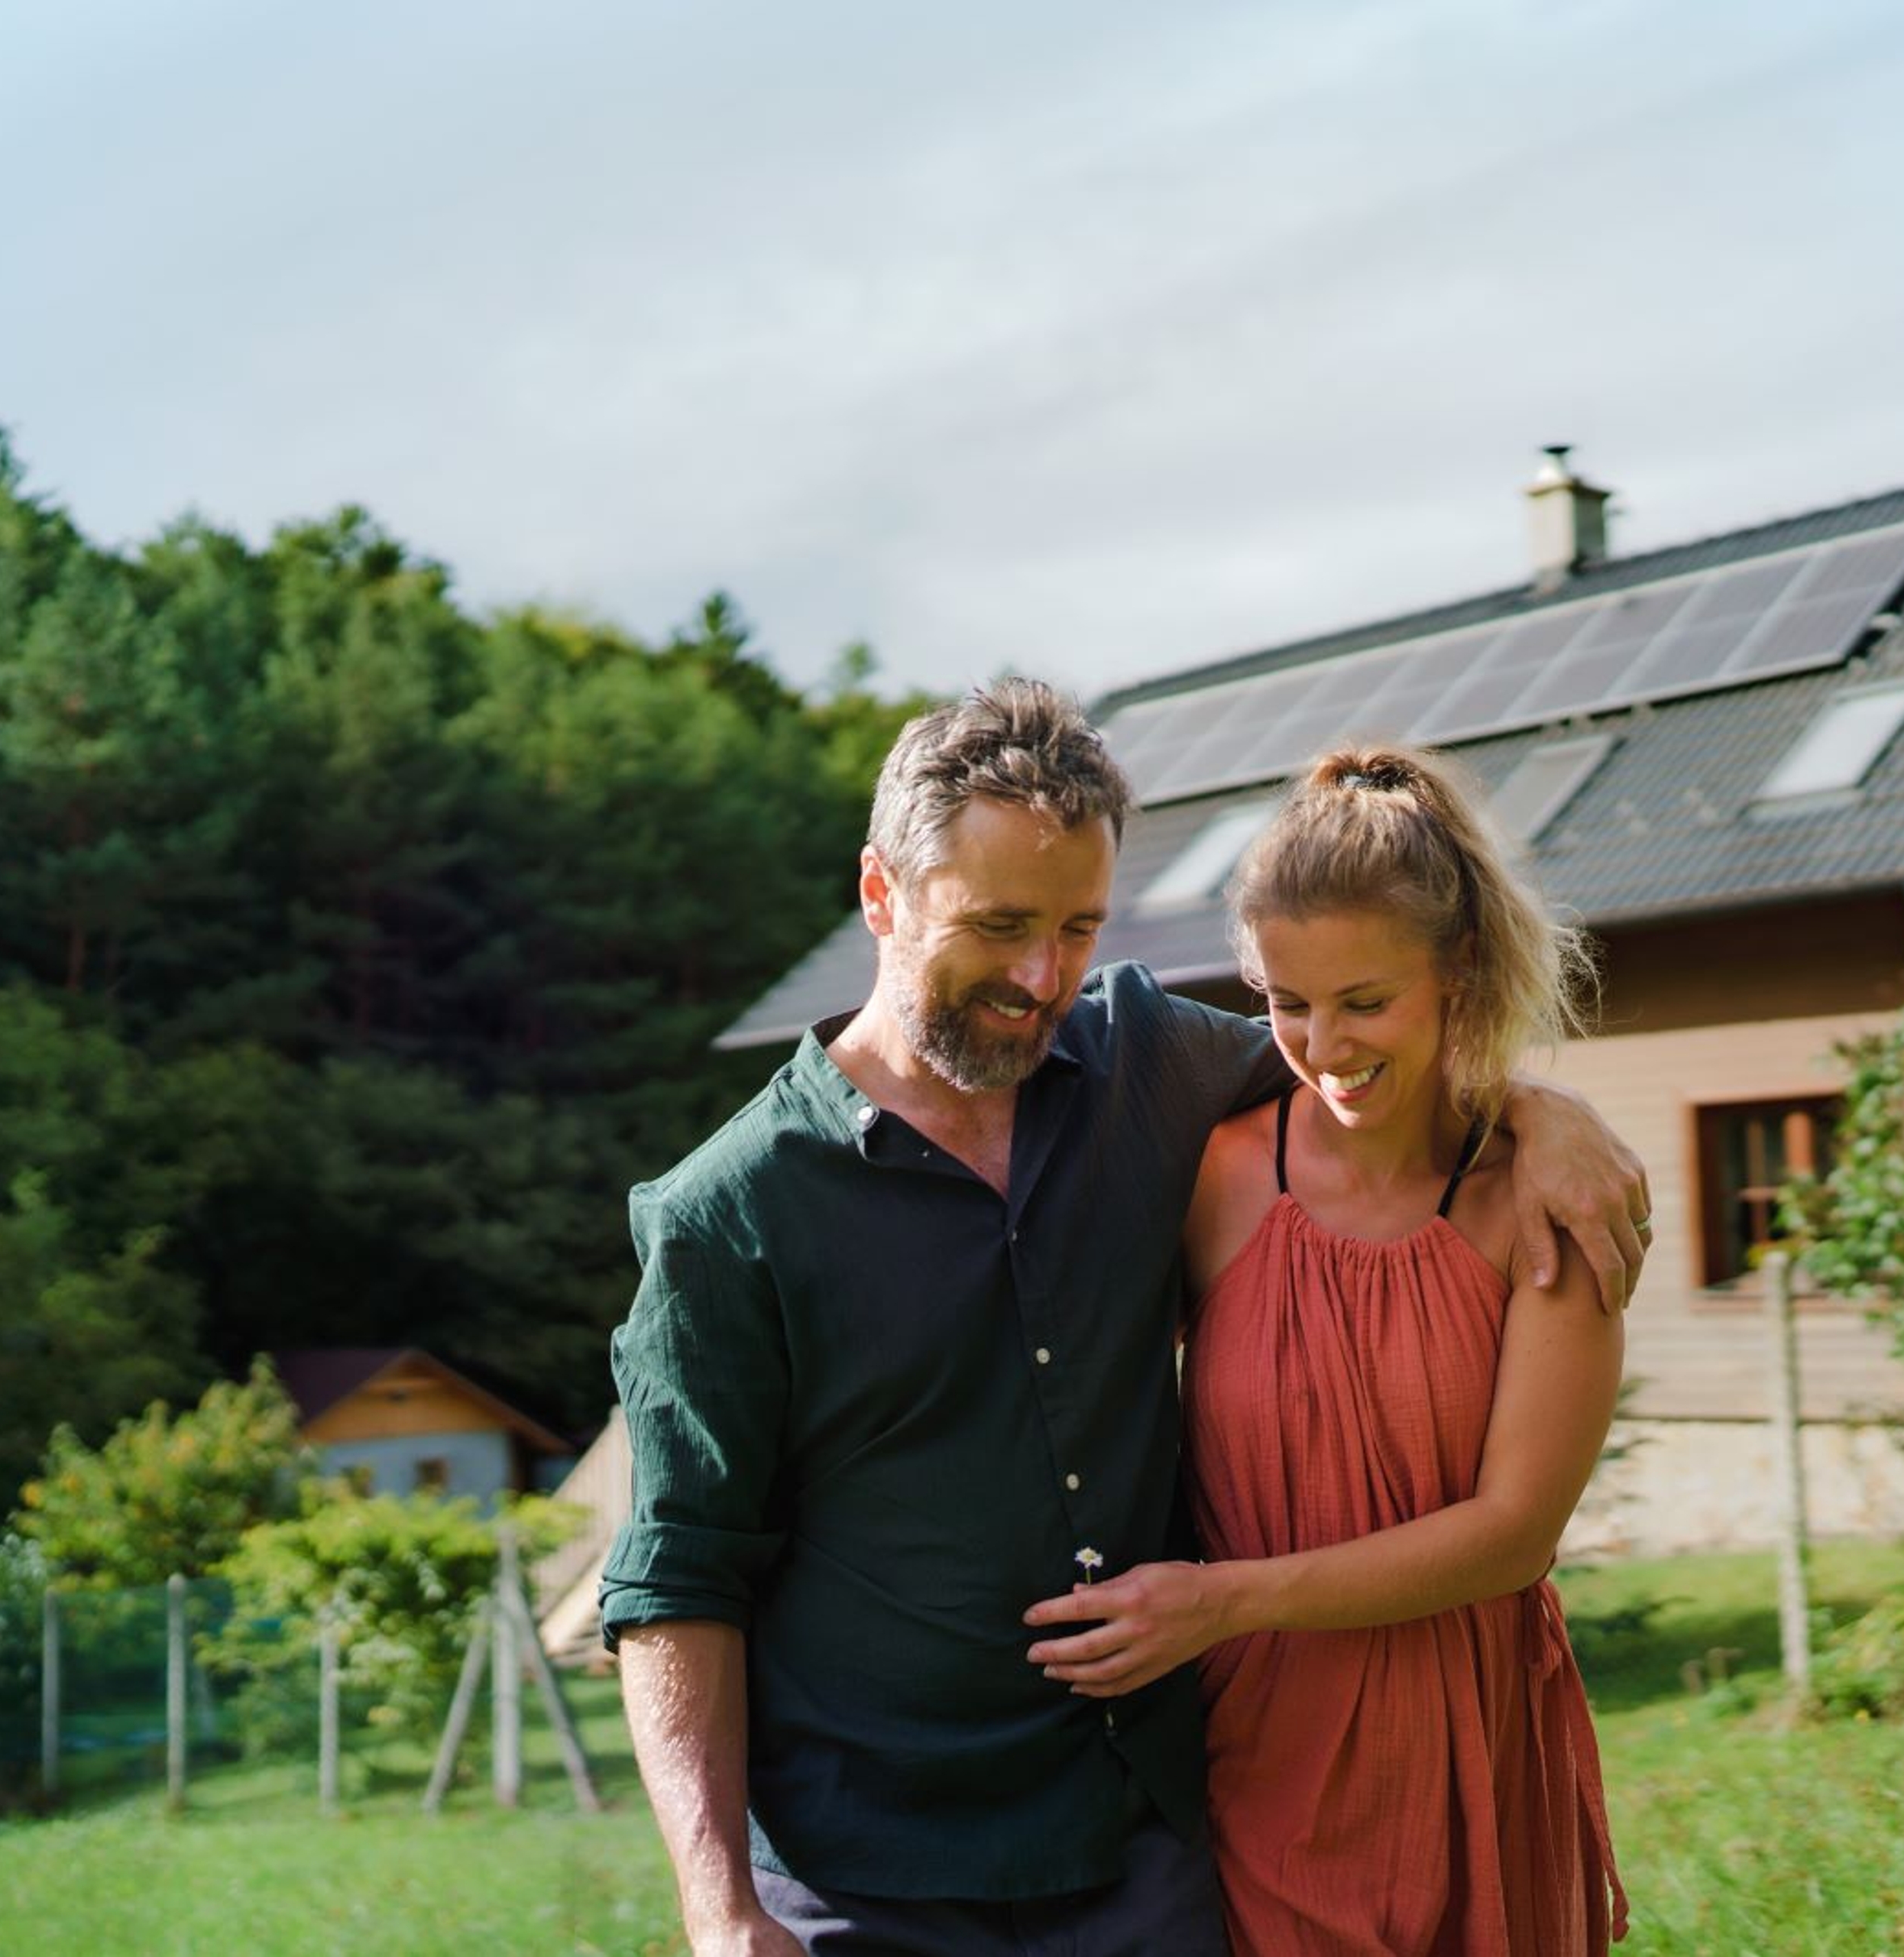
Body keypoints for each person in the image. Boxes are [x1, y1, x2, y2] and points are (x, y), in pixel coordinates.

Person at [601, 682, 1648, 1956]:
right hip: (866, 1876)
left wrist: (1547, 1111)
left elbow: (1378, 1060)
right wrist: (719, 1908)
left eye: (1078, 926)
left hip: (1142, 1842)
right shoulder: (729, 1212)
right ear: (881, 896)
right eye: (997, 925)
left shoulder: (1149, 1063)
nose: (1042, 978)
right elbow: (676, 1578)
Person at [1022, 744, 1630, 1954]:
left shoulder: (1547, 1204)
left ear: (1456, 971)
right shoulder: (1218, 1174)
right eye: (1286, 1003)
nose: (1324, 1043)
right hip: (1262, 1754)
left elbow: (1515, 1535)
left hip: (1475, 1741)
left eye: (1365, 1001)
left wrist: (1218, 1601)